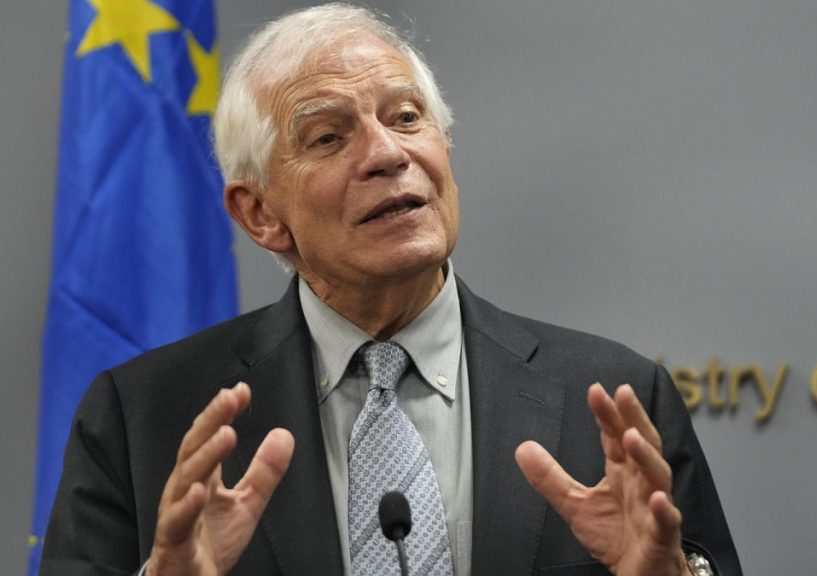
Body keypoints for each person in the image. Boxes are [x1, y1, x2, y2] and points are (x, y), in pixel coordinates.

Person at [41, 4, 741, 576]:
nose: (386, 153)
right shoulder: (140, 421)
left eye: (406, 117)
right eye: (327, 137)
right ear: (259, 214)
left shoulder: (617, 399)